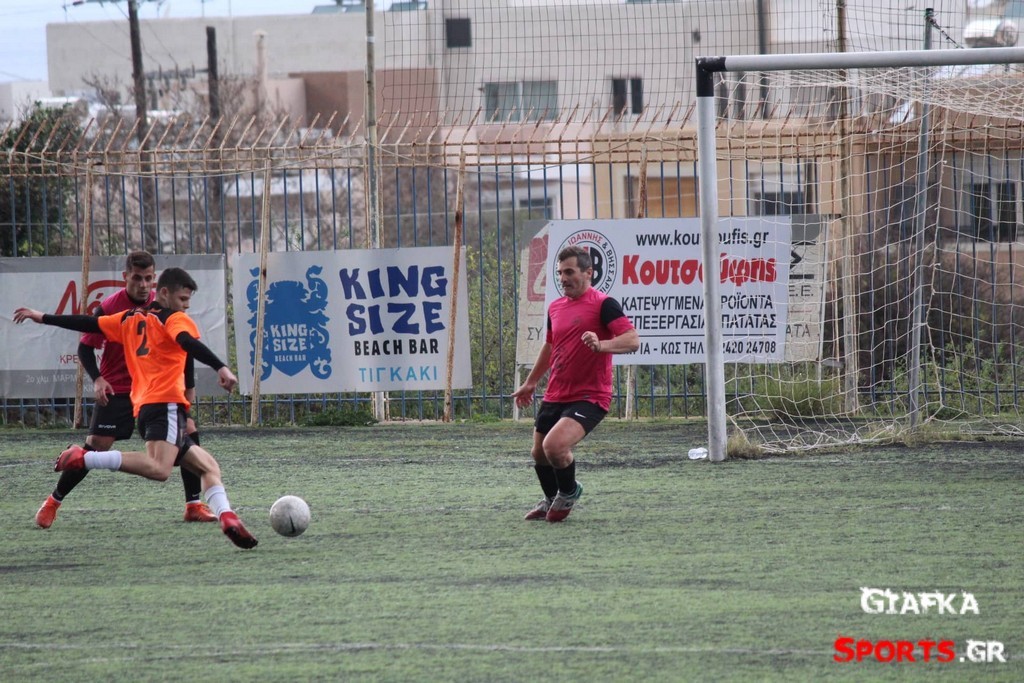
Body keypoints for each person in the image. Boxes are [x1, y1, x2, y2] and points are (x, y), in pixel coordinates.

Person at [14, 267, 257, 549]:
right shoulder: (175, 319)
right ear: (164, 293)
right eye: (183, 299)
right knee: (159, 469)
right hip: (164, 404)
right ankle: (85, 458)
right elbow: (187, 342)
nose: (186, 306)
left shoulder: (129, 318)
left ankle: (227, 516)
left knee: (209, 466)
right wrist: (221, 367)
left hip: (149, 407)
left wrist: (43, 317)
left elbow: (88, 323)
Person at [34, 250, 217, 529]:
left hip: (155, 392)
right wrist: (97, 379)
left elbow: (184, 346)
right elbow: (85, 347)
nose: (143, 285)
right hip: (118, 388)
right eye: (137, 278)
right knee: (97, 445)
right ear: (125, 277)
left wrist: (188, 390)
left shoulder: (164, 306)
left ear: (155, 280)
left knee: (189, 434)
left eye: (148, 279)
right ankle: (53, 501)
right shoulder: (111, 307)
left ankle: (193, 505)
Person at [511, 245, 640, 523]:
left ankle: (569, 492)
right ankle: (550, 499)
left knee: (554, 446)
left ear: (588, 273)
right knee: (539, 453)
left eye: (569, 272)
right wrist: (531, 382)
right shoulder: (555, 307)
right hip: (556, 393)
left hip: (590, 396)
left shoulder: (604, 304)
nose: (563, 278)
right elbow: (550, 346)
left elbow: (632, 340)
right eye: (560, 273)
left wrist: (601, 344)